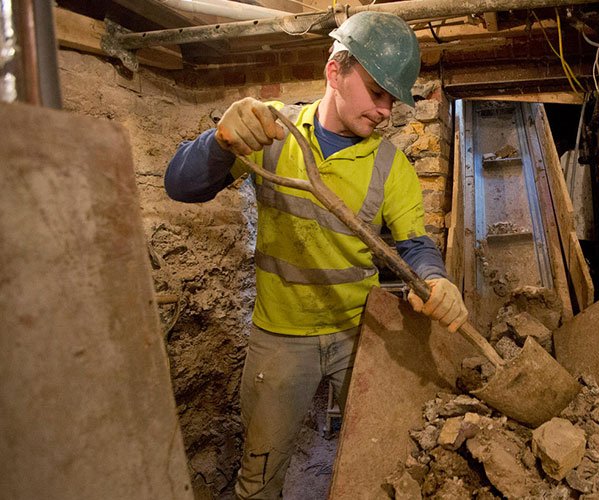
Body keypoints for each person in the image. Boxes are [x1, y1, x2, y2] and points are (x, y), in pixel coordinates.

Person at [164, 11, 468, 499]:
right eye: (376, 91)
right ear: (335, 71)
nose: (386, 111)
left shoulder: (392, 166)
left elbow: (414, 247)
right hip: (280, 338)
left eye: (393, 99)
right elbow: (179, 186)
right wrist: (219, 142)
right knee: (260, 476)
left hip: (360, 334)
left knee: (382, 461)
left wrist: (437, 279)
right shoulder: (271, 131)